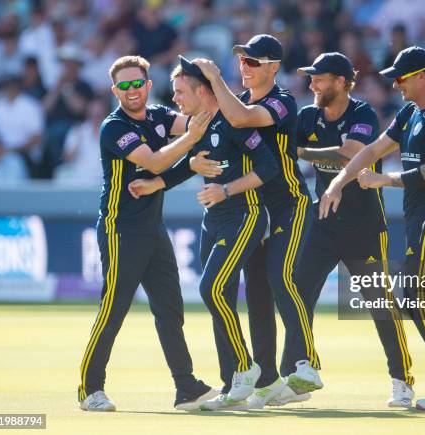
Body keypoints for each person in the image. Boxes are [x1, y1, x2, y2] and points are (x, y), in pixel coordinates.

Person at [320, 46, 425, 411]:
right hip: (417, 215)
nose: (396, 85)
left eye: (401, 77)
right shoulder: (411, 111)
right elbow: (374, 148)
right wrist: (339, 182)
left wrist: (383, 180)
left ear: (422, 75)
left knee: (414, 295)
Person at [128, 56, 279, 411]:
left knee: (210, 288)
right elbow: (189, 164)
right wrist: (157, 184)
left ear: (202, 91)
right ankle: (232, 386)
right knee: (218, 298)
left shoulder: (234, 120)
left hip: (245, 215)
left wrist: (226, 190)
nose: (175, 98)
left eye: (180, 92)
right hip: (214, 220)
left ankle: (246, 367)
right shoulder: (196, 125)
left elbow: (268, 168)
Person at [77, 55, 216, 412]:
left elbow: (198, 121)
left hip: (152, 228)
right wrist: (192, 141)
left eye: (137, 83)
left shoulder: (158, 115)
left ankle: (186, 388)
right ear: (115, 90)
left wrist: (209, 104)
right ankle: (90, 389)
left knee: (170, 308)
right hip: (119, 227)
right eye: (124, 86)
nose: (132, 90)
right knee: (114, 308)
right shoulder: (114, 126)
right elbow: (154, 162)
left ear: (149, 84)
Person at [192, 34, 322, 408]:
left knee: (282, 276)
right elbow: (215, 133)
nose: (243, 68)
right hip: (253, 210)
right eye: (241, 61)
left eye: (253, 62)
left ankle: (307, 363)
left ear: (273, 67)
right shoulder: (241, 99)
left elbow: (240, 118)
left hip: (289, 203)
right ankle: (266, 380)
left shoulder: (282, 101)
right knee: (259, 296)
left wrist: (215, 79)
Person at [292, 52, 415, 407]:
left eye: (321, 77)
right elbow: (283, 150)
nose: (313, 83)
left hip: (363, 226)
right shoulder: (307, 116)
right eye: (311, 77)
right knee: (297, 296)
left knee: (380, 304)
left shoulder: (362, 112)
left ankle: (401, 380)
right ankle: (304, 369)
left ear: (344, 81)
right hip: (324, 222)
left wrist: (303, 150)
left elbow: (351, 155)